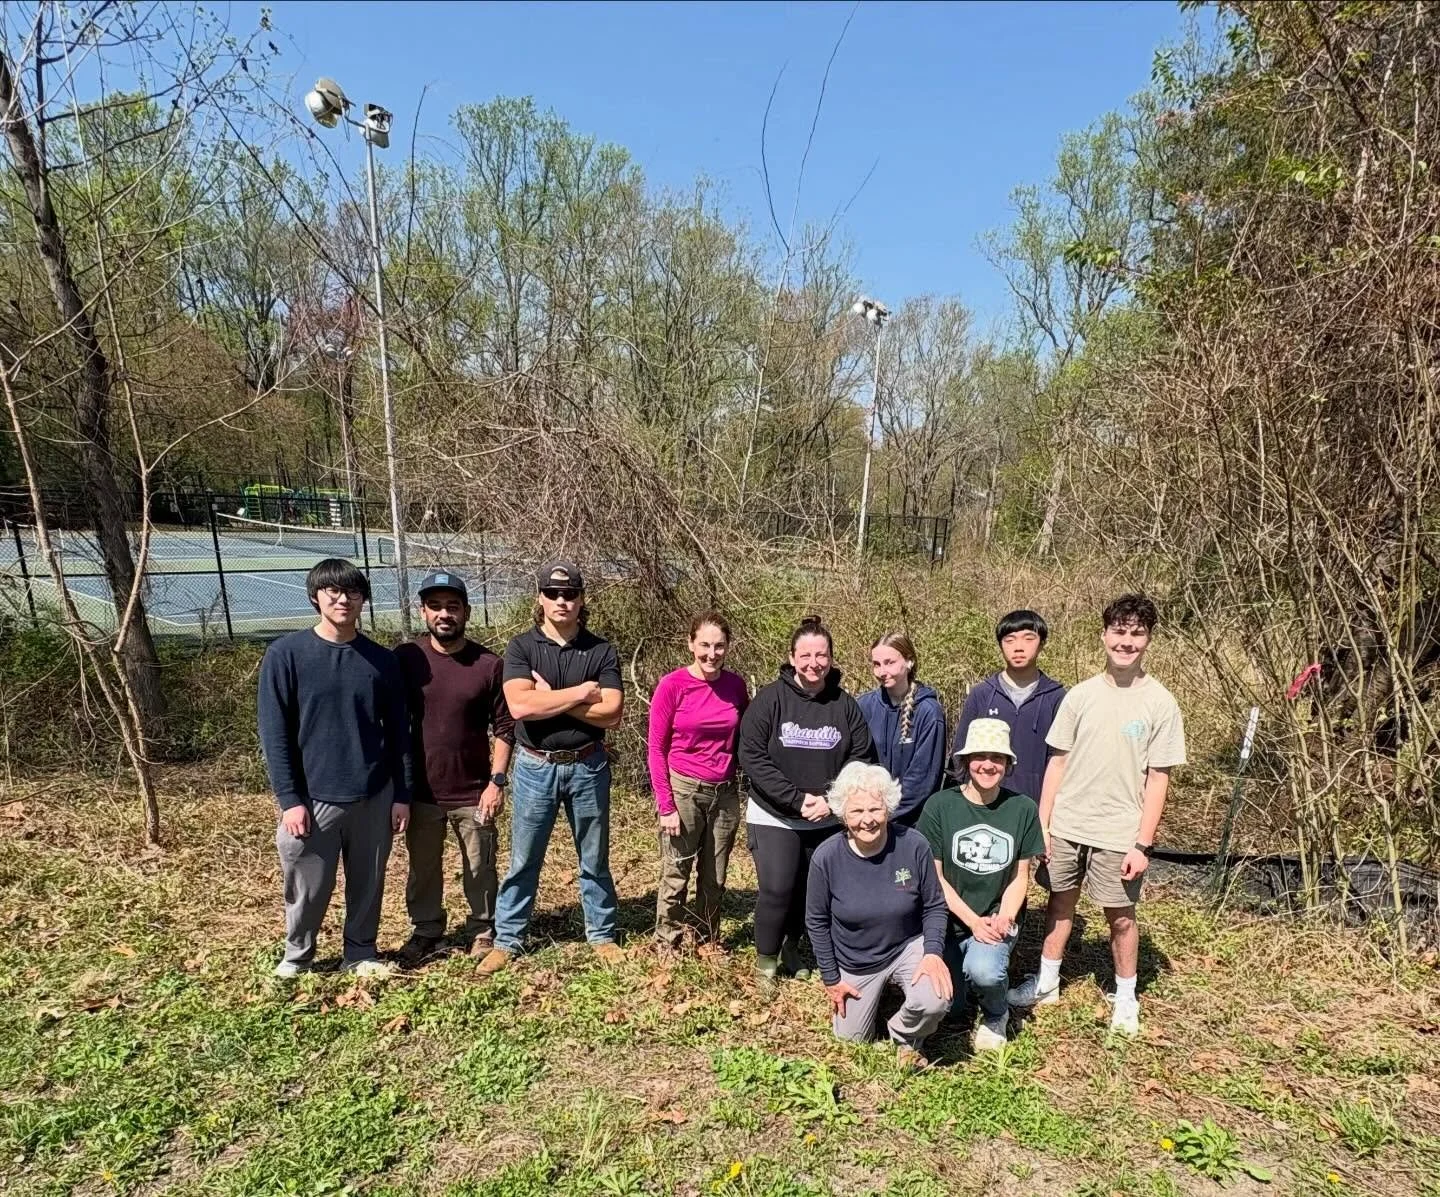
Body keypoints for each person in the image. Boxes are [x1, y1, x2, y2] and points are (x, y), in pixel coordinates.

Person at [1008, 594, 1186, 1035]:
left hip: (1119, 832)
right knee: (1059, 902)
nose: (1126, 642)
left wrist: (1142, 843)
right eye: (1119, 632)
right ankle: (1047, 982)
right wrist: (1043, 826)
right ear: (1104, 635)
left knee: (1120, 916)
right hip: (1068, 824)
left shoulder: (1160, 703)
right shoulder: (1080, 696)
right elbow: (1058, 763)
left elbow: (1159, 778)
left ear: (1148, 640)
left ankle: (1126, 997)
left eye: (1136, 634)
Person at [258, 558, 411, 979]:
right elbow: (275, 735)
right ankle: (298, 955)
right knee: (306, 887)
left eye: (353, 593)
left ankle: (360, 952)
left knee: (368, 886)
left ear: (363, 600)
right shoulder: (286, 655)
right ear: (316, 597)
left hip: (373, 795)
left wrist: (401, 794)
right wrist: (291, 800)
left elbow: (400, 733)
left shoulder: (381, 660)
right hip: (314, 798)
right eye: (333, 592)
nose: (344, 599)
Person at [478, 561, 625, 974]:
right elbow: (520, 706)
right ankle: (508, 939)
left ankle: (602, 934)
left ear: (582, 600)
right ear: (540, 598)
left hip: (588, 766)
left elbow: (612, 712)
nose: (563, 601)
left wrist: (551, 699)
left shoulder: (601, 650)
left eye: (571, 594)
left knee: (594, 858)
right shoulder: (521, 647)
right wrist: (581, 694)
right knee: (524, 859)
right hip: (534, 767)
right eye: (554, 593)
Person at [738, 615, 875, 983]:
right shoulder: (770, 700)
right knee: (778, 887)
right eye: (806, 655)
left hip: (826, 816)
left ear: (831, 657)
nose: (814, 663)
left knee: (810, 890)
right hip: (775, 816)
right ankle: (766, 962)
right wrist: (797, 800)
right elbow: (751, 756)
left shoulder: (844, 705)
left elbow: (860, 756)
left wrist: (832, 800)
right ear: (792, 656)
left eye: (821, 655)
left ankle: (792, 948)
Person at [394, 571, 515, 966]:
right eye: (435, 606)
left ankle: (482, 928)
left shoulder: (488, 664)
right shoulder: (406, 659)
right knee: (423, 867)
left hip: (474, 790)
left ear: (465, 611)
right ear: (423, 611)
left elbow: (505, 727)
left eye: (452, 606)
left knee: (480, 866)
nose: (444, 614)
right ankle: (426, 929)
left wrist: (497, 781)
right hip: (423, 792)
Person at [805, 762, 952, 1068]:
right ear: (843, 814)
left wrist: (933, 953)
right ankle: (873, 1002)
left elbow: (935, 904)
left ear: (888, 808)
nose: (868, 820)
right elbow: (816, 922)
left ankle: (904, 1034)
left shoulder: (913, 845)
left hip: (907, 945)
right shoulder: (826, 858)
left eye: (875, 809)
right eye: (857, 812)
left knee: (936, 998)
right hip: (857, 958)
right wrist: (832, 979)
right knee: (851, 1038)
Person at [918, 719, 1044, 1052]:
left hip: (994, 917)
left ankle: (996, 1013)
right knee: (950, 1006)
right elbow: (936, 878)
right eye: (979, 756)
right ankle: (967, 986)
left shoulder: (1022, 809)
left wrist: (1003, 917)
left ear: (1008, 764)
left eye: (997, 757)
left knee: (985, 972)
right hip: (949, 921)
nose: (988, 764)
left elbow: (1021, 876)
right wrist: (971, 922)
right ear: (965, 761)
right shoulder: (940, 806)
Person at [647, 612, 748, 951]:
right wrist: (666, 805)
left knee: (715, 875)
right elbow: (656, 749)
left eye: (719, 646)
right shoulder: (672, 685)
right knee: (676, 872)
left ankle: (707, 937)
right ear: (690, 643)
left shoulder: (735, 686)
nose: (711, 653)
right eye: (704, 644)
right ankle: (668, 941)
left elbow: (746, 738)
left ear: (727, 647)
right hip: (684, 790)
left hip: (725, 793)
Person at [949, 610, 1066, 804]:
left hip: (1036, 808)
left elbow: (1061, 762)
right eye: (1010, 640)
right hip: (985, 807)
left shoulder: (1056, 697)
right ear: (1000, 645)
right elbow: (960, 754)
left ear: (1042, 644)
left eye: (1028, 639)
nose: (1018, 648)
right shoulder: (982, 694)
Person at [857, 632, 947, 826]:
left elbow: (922, 778)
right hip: (867, 820)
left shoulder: (928, 712)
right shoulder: (864, 706)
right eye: (876, 664)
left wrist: (885, 812)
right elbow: (855, 762)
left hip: (911, 822)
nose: (882, 671)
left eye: (889, 662)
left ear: (909, 662)